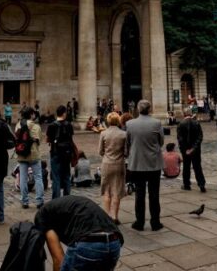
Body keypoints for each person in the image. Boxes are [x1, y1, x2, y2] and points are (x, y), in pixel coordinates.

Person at [34, 195, 123, 271]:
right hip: (115, 242)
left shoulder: (42, 218)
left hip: (89, 243)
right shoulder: (61, 206)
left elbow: (59, 260)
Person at [126, 99, 164, 231]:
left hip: (137, 164)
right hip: (153, 163)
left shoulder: (130, 124)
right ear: (150, 109)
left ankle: (139, 222)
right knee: (154, 194)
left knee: (139, 195)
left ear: (137, 108)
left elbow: (128, 143)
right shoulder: (157, 123)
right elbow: (161, 142)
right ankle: (155, 222)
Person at [98, 112, 127, 223]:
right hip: (119, 164)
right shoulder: (123, 134)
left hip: (106, 163)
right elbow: (126, 152)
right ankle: (114, 216)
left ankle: (107, 216)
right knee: (117, 190)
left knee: (106, 191)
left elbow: (100, 151)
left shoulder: (104, 133)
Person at [18, 106, 45, 208]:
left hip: (21, 153)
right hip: (34, 154)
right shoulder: (36, 126)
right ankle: (39, 201)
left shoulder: (18, 125)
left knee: (23, 178)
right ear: (31, 114)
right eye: (33, 113)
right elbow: (40, 141)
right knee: (38, 177)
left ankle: (25, 201)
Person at [47, 105, 75, 199]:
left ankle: (56, 199)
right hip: (67, 153)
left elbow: (48, 139)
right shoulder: (69, 125)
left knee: (56, 177)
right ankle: (67, 198)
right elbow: (71, 138)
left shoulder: (52, 125)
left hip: (55, 153)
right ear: (64, 113)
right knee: (66, 176)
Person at [177, 107, 206, 192]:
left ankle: (186, 184)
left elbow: (180, 139)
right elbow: (200, 137)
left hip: (185, 150)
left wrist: (186, 149)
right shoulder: (196, 123)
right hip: (195, 150)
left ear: (184, 114)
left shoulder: (181, 124)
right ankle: (201, 184)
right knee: (197, 167)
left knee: (186, 167)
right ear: (190, 113)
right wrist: (193, 148)